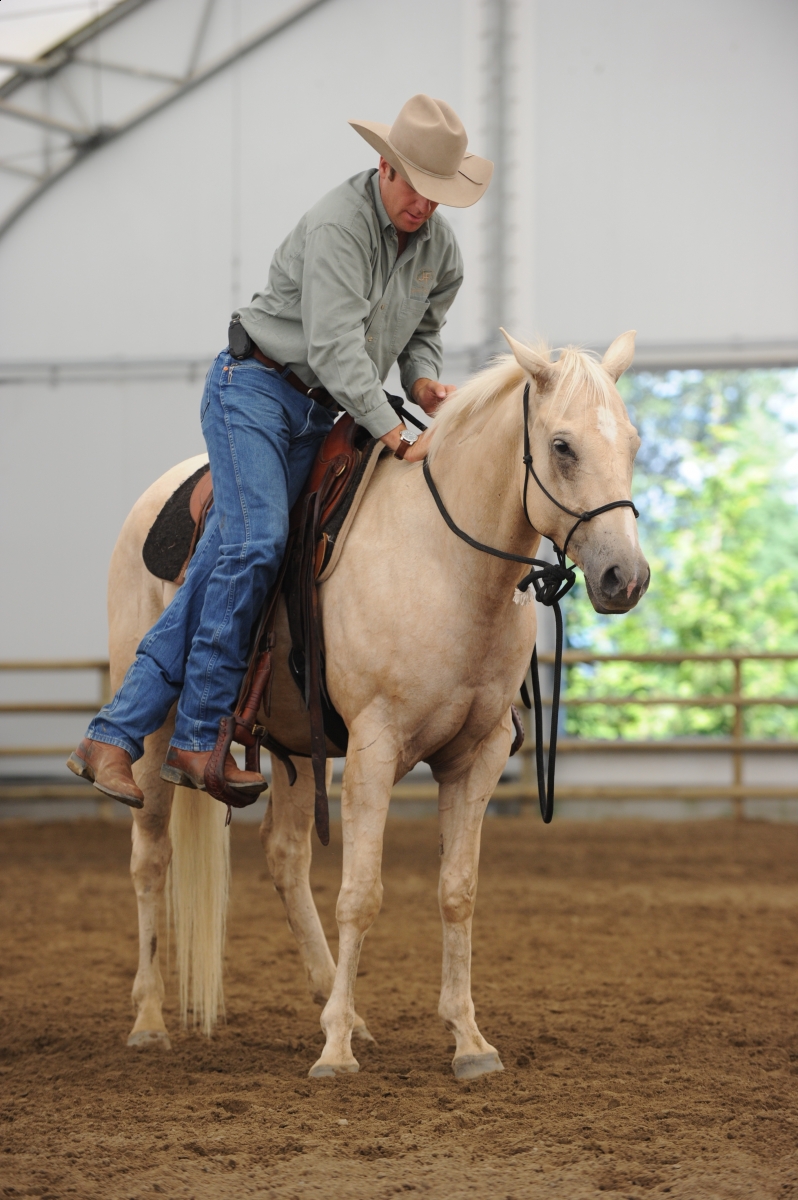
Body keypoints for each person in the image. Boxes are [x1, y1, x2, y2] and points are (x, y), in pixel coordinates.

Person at [67, 94, 493, 807]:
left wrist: (420, 381)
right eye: (416, 189)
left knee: (222, 566)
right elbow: (331, 346)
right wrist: (390, 429)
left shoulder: (439, 249)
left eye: (437, 195)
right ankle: (199, 738)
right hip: (255, 393)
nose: (425, 207)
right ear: (384, 167)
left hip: (324, 408)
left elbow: (424, 327)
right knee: (258, 542)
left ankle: (114, 734)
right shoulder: (338, 227)